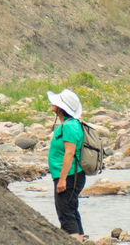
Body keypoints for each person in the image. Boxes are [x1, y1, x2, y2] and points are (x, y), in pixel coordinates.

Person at [48, 88, 86, 242]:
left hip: (69, 176)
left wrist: (62, 179)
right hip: (70, 175)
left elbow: (69, 153)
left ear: (60, 108)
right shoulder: (67, 124)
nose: (52, 104)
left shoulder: (69, 126)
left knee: (66, 214)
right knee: (71, 212)